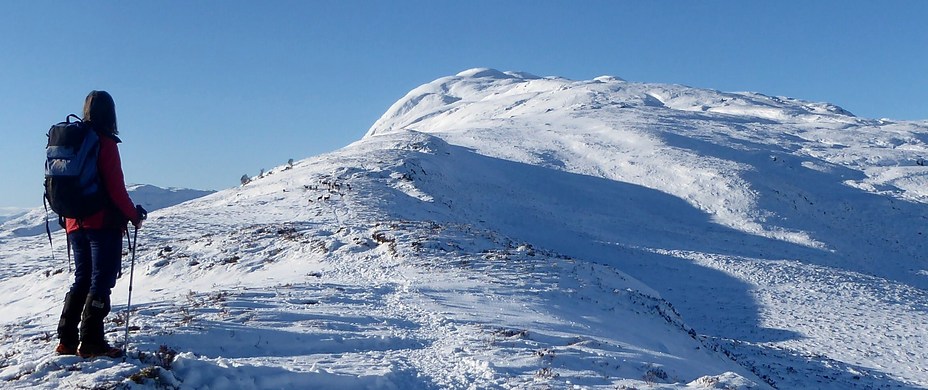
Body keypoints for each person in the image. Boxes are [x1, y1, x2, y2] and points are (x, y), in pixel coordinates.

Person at [54, 91, 145, 358]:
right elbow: (116, 189)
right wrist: (133, 215)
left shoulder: (74, 140)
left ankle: (66, 340)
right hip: (101, 223)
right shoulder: (105, 143)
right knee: (101, 281)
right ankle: (92, 342)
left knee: (81, 279)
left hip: (73, 221)